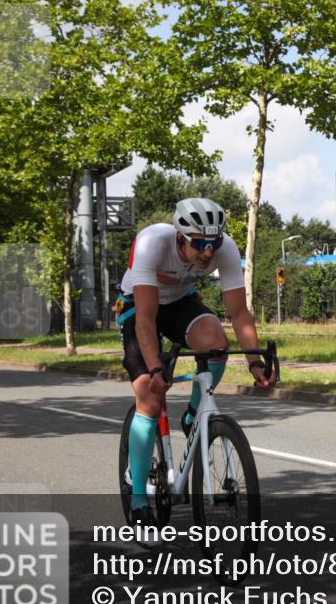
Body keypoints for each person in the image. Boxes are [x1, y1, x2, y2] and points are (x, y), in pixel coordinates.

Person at [116, 197, 276, 530]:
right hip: (139, 306)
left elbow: (239, 313)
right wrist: (156, 369)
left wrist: (254, 362)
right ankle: (139, 500)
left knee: (216, 342)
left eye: (213, 243)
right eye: (199, 244)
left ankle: (193, 415)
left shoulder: (225, 249)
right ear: (179, 236)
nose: (207, 253)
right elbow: (146, 321)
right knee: (149, 394)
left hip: (179, 303)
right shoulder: (151, 242)